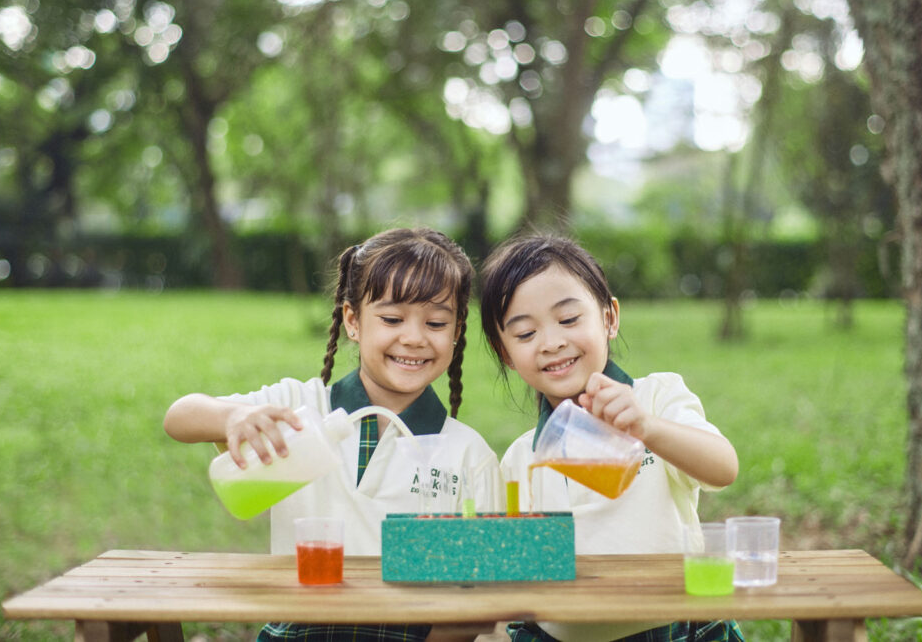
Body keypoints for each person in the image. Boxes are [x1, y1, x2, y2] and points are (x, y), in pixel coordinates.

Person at [165, 227, 499, 642]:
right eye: (392, 319)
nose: (413, 338)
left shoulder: (468, 455)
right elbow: (179, 417)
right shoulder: (297, 408)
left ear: (456, 330)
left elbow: (477, 604)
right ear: (353, 321)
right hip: (297, 630)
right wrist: (233, 417)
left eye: (435, 322)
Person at [479, 234, 743, 642]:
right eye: (526, 333)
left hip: (671, 629)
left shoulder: (657, 399)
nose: (552, 343)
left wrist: (647, 427)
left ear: (609, 319)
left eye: (569, 319)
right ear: (505, 353)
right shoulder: (521, 458)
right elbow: (508, 569)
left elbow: (723, 468)